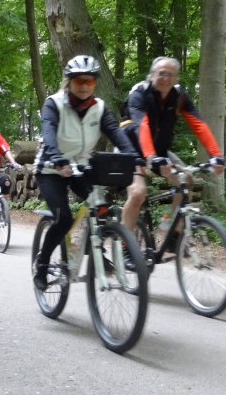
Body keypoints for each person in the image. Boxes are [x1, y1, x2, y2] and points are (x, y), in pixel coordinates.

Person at [32, 55, 145, 291]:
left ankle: (94, 247)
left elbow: (115, 132)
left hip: (81, 166)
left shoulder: (99, 108)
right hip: (51, 167)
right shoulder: (55, 104)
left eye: (90, 81)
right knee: (63, 219)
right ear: (69, 81)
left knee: (101, 208)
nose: (84, 86)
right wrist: (56, 157)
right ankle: (42, 264)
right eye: (79, 81)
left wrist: (134, 156)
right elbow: (49, 131)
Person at [118, 56, 224, 232]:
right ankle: (125, 245)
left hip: (159, 151)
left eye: (171, 74)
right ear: (151, 75)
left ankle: (174, 231)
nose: (166, 78)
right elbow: (141, 125)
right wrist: (151, 157)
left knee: (186, 179)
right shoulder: (139, 93)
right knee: (137, 193)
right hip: (131, 149)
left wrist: (216, 155)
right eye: (161, 74)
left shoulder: (179, 97)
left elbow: (198, 125)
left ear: (176, 78)